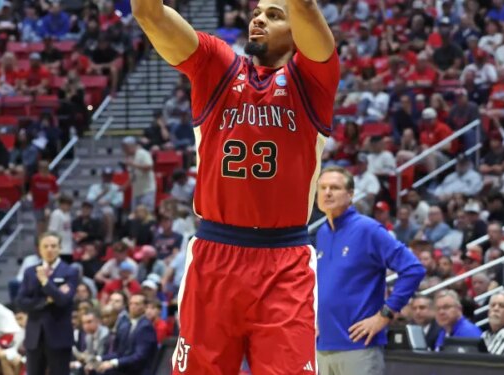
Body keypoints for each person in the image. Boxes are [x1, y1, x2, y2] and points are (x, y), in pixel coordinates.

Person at [132, 0, 339, 371]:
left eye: (274, 15)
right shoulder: (217, 65)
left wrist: (297, 9)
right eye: (257, 12)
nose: (258, 18)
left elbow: (305, 7)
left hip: (284, 260)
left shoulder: (313, 80)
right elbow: (149, 14)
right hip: (215, 252)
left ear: (297, 34)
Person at [316, 166, 425, 375]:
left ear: (350, 195)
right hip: (324, 346)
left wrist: (385, 314)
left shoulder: (368, 229)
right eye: (322, 188)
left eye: (335, 188)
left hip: (359, 348)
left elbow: (413, 269)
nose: (327, 192)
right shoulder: (322, 233)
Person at [16, 232, 79, 375]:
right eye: (45, 246)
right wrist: (46, 301)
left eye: (53, 246)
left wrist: (45, 281)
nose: (49, 249)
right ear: (39, 249)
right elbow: (21, 302)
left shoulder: (70, 271)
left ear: (60, 248)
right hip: (34, 336)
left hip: (59, 336)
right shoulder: (30, 272)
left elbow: (63, 301)